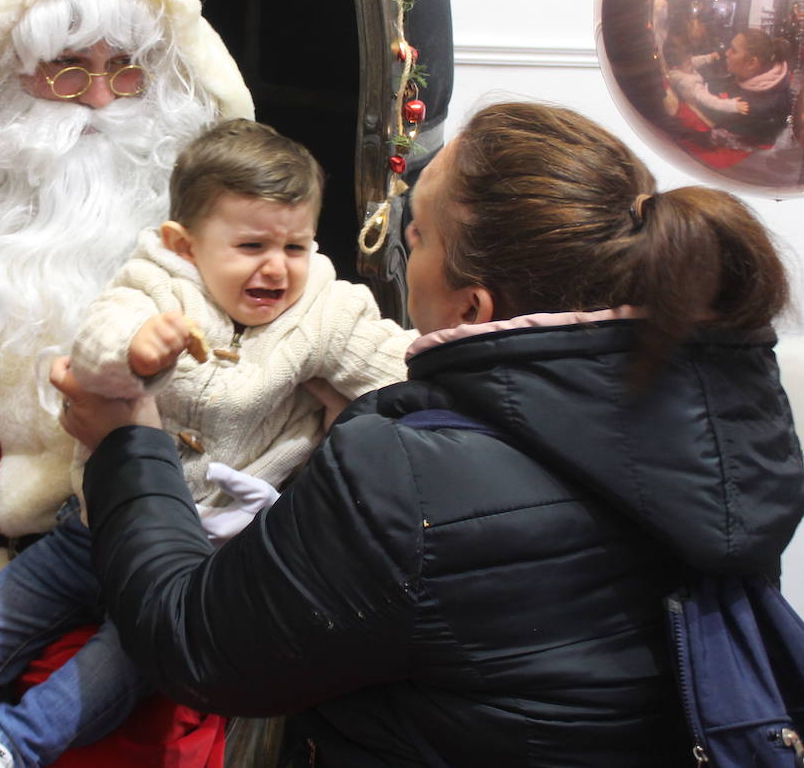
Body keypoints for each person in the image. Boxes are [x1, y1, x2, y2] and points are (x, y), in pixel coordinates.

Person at [54, 100, 804, 766]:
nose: (401, 251)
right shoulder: (723, 410)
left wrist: (128, 444)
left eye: (416, 237)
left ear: (472, 308)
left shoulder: (400, 474)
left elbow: (193, 646)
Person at [0, 120, 410, 767]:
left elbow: (399, 373)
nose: (277, 267)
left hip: (201, 561)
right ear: (183, 246)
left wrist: (365, 395)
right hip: (95, 526)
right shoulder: (154, 283)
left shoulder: (324, 308)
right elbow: (96, 352)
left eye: (295, 246)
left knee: (115, 664)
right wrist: (136, 352)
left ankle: (7, 749)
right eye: (250, 245)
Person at [0, 0, 253, 767]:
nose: (99, 101)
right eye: (67, 71)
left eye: (125, 72)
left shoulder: (214, 248)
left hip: (161, 565)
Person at [706, 28, 793, 145]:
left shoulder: (755, 107)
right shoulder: (755, 81)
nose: (727, 53)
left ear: (752, 63)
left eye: (734, 50)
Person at [662, 36, 747, 119]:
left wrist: (709, 57)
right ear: (676, 67)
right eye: (689, 63)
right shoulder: (690, 83)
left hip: (702, 93)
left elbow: (695, 60)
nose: (691, 64)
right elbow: (709, 101)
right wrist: (732, 106)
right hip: (702, 108)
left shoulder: (677, 70)